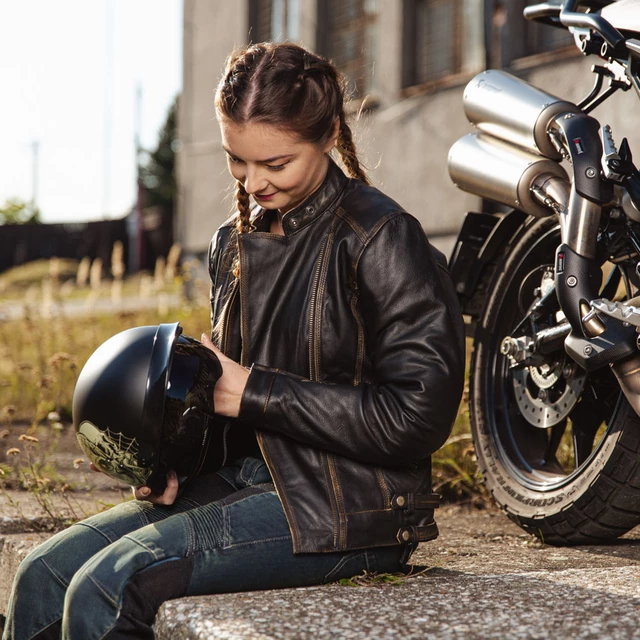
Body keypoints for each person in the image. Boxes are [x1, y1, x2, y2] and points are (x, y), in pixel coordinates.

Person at [3, 42, 465, 639]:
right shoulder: (232, 240)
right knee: (41, 576)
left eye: (276, 164)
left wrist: (256, 393)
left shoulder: (381, 237)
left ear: (327, 136)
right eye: (236, 162)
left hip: (351, 505)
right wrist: (176, 459)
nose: (254, 183)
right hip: (247, 481)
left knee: (109, 584)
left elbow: (416, 418)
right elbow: (225, 404)